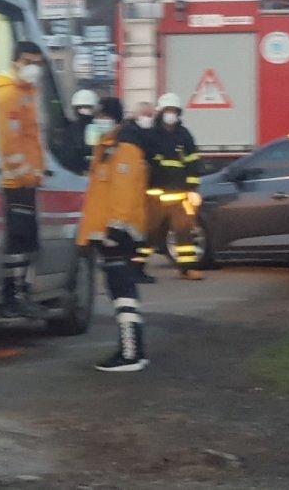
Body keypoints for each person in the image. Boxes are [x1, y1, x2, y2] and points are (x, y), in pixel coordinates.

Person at [76, 97, 151, 372]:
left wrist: (115, 229)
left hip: (118, 234)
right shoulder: (108, 147)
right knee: (120, 292)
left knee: (122, 291)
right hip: (110, 232)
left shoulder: (124, 148)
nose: (97, 121)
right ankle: (130, 350)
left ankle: (131, 354)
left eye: (101, 116)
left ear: (112, 118)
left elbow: (123, 192)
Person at [0, 41, 47, 318]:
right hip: (15, 183)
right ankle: (12, 295)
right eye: (28, 61)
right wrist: (26, 173)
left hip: (25, 181)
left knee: (27, 242)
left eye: (37, 63)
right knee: (19, 241)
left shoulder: (26, 92)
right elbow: (9, 143)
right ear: (15, 62)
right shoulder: (9, 94)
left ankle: (20, 293)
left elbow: (30, 138)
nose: (33, 68)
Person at [142, 92, 205, 280]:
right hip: (155, 195)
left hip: (179, 195)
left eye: (174, 111)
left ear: (178, 113)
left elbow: (193, 162)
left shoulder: (184, 135)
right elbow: (145, 163)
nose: (171, 114)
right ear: (161, 112)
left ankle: (187, 268)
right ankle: (137, 267)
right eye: (168, 110)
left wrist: (192, 189)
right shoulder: (151, 135)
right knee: (149, 233)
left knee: (184, 232)